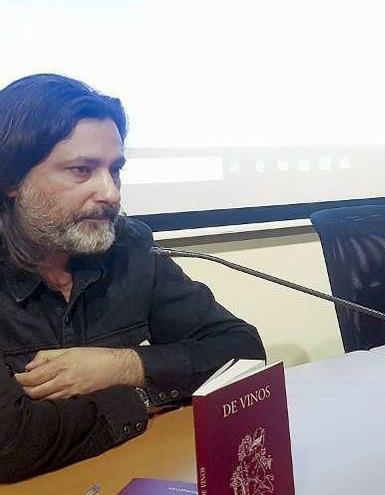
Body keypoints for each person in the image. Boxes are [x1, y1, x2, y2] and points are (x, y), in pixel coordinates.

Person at [0, 74, 266, 482]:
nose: (110, 192)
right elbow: (11, 445)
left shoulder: (127, 247)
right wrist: (141, 397)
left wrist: (123, 365)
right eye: (81, 170)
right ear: (12, 180)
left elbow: (242, 351)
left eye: (115, 169)